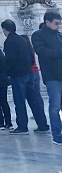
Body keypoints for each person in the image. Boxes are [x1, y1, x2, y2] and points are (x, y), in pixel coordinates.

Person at [1, 19, 48, 135]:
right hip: (29, 74)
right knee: (34, 100)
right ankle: (42, 125)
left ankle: (22, 126)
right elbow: (31, 57)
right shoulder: (22, 40)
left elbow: (10, 59)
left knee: (19, 101)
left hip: (17, 75)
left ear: (4, 29)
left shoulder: (10, 41)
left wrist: (6, 70)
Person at [31, 11, 62, 145]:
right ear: (47, 22)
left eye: (60, 23)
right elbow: (44, 53)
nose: (59, 26)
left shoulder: (60, 36)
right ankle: (57, 135)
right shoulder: (38, 35)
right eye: (56, 23)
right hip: (52, 76)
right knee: (55, 106)